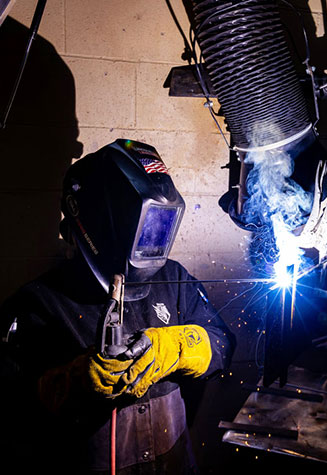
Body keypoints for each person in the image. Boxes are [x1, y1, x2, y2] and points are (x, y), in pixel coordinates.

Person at [0, 139, 235, 474]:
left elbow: (223, 343)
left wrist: (178, 347)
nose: (152, 242)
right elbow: (10, 407)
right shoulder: (40, 304)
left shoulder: (173, 278)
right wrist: (73, 382)